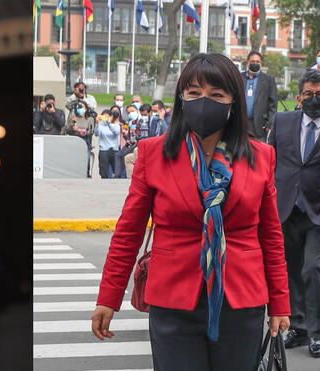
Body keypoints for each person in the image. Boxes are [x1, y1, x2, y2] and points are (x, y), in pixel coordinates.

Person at [92, 53, 290, 371]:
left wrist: (280, 302)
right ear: (182, 97)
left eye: (216, 95)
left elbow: (271, 235)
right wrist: (108, 297)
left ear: (233, 102)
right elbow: (129, 231)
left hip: (241, 301)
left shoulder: (261, 156)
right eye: (194, 93)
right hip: (173, 300)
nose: (203, 102)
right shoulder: (153, 153)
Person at [268, 70, 320, 358]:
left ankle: (318, 333)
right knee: (292, 270)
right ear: (299, 97)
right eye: (308, 94)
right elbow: (270, 159)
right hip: (285, 207)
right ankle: (298, 327)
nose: (314, 99)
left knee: (313, 268)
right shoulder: (282, 121)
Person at [124, 103, 168, 178]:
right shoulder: (147, 121)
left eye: (155, 111)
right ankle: (132, 179)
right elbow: (143, 137)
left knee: (136, 151)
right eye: (142, 115)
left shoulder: (162, 119)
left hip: (158, 148)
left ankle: (144, 177)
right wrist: (138, 134)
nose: (144, 116)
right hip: (149, 146)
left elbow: (166, 132)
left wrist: (161, 119)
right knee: (128, 158)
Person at [242, 51, 277, 142]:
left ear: (261, 63)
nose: (255, 64)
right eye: (252, 61)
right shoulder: (239, 77)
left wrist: (270, 123)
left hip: (260, 126)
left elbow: (273, 104)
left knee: (259, 154)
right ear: (247, 62)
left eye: (257, 62)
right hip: (242, 124)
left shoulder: (268, 80)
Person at [65, 100, 95, 177]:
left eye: (82, 106)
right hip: (74, 144)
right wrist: (72, 123)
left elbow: (90, 132)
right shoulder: (73, 117)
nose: (80, 108)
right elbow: (67, 130)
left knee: (85, 163)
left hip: (85, 143)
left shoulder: (90, 119)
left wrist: (79, 130)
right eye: (78, 107)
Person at [114, 104, 140, 178]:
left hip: (137, 144)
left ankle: (123, 175)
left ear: (137, 111)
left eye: (132, 111)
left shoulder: (141, 121)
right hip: (130, 144)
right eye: (128, 112)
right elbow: (129, 135)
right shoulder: (130, 122)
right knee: (118, 154)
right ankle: (117, 175)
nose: (131, 114)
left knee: (124, 154)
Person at [95, 109, 121, 179]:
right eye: (104, 116)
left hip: (114, 149)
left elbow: (117, 132)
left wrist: (109, 124)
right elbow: (96, 134)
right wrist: (97, 123)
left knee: (116, 169)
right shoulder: (101, 126)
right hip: (104, 149)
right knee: (103, 169)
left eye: (107, 116)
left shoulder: (116, 125)